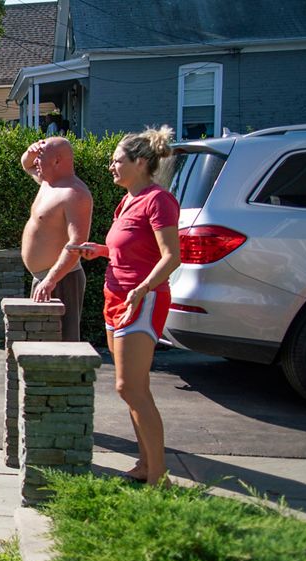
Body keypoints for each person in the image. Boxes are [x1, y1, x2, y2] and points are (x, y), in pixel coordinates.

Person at [69, 126, 181, 485]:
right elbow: (128, 249)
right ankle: (145, 463)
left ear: (141, 162)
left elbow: (171, 257)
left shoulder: (158, 200)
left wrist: (144, 288)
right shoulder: (127, 201)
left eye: (117, 161)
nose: (110, 166)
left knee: (129, 387)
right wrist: (99, 251)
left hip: (141, 301)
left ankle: (159, 475)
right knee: (134, 388)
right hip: (115, 299)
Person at [19, 135, 93, 341]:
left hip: (62, 280)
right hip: (44, 279)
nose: (35, 163)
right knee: (42, 344)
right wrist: (31, 151)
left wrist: (50, 281)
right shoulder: (47, 182)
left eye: (40, 158)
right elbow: (26, 165)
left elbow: (77, 244)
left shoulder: (74, 194)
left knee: (63, 345)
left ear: (57, 161)